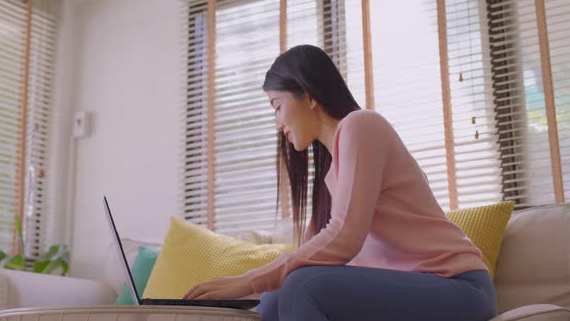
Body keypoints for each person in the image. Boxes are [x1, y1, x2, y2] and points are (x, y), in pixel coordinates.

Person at [184, 45, 497, 321]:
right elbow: (310, 255)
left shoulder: (362, 126)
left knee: (301, 286)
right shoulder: (332, 175)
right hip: (409, 291)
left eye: (277, 106)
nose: (278, 123)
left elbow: (344, 238)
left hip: (458, 288)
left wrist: (250, 279)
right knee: (275, 300)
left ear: (307, 96)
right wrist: (223, 301)